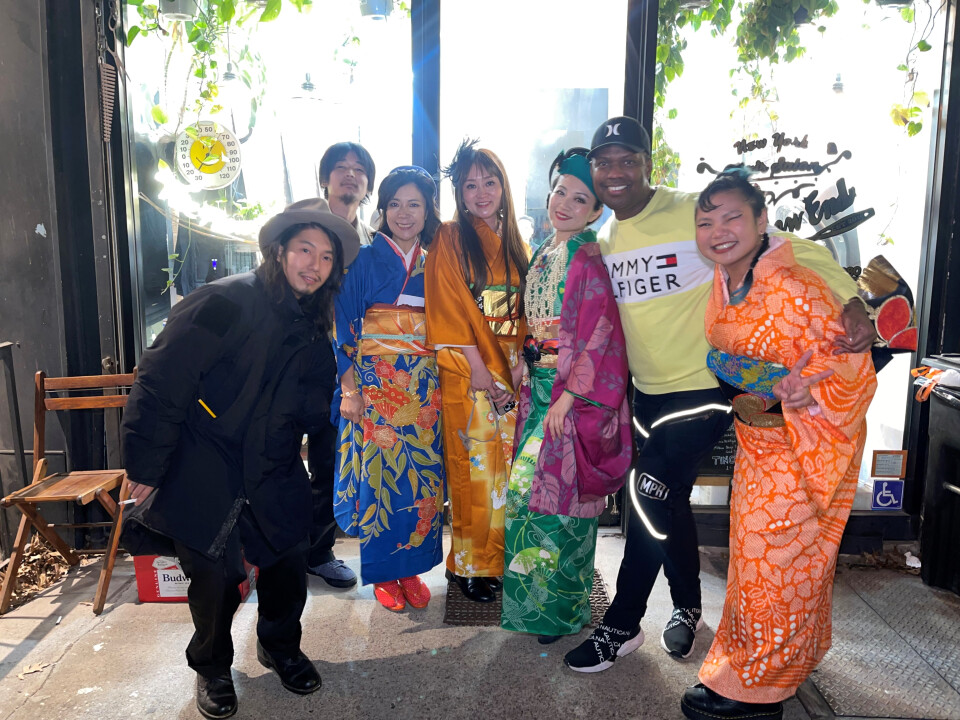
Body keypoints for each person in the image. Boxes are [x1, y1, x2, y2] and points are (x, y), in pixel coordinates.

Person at [564, 116, 877, 673]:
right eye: (604, 162)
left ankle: (621, 626)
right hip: (646, 394)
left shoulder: (692, 211)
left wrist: (852, 299)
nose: (615, 172)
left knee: (646, 493)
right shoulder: (605, 236)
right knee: (669, 499)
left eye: (628, 160)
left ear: (647, 164)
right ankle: (688, 609)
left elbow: (793, 247)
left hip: (702, 390)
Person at [121, 199, 360, 719]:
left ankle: (280, 646)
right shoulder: (224, 300)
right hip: (207, 459)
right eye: (305, 250)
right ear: (279, 251)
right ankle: (211, 666)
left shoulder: (314, 323)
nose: (315, 265)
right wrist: (146, 465)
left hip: (274, 462)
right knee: (216, 575)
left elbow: (313, 404)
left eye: (326, 257)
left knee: (289, 557)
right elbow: (160, 379)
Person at [679, 167, 876, 720]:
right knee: (752, 564)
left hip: (800, 445)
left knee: (778, 566)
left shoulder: (798, 287)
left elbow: (852, 368)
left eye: (732, 218)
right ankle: (752, 670)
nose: (718, 232)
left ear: (762, 219)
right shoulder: (726, 282)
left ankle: (759, 693)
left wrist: (805, 391)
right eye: (706, 222)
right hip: (757, 442)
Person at [500, 149, 631, 643]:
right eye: (560, 192)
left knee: (558, 502)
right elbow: (533, 322)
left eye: (580, 199)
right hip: (539, 389)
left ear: (596, 211)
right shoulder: (544, 250)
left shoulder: (588, 255)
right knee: (533, 498)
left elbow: (601, 332)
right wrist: (523, 359)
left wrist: (570, 397)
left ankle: (559, 611)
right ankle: (537, 607)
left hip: (569, 398)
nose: (565, 204)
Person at [332, 166, 445, 611]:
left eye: (414, 204)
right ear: (382, 209)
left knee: (422, 483)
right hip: (377, 386)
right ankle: (382, 573)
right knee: (381, 482)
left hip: (424, 387)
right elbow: (343, 327)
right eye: (395, 204)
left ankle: (410, 569)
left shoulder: (435, 262)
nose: (404, 213)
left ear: (427, 211)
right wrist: (349, 390)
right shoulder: (362, 260)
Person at [424, 140, 528, 603]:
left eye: (490, 182)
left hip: (510, 370)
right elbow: (447, 305)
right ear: (459, 194)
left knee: (504, 471)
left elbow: (528, 310)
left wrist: (520, 364)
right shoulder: (449, 237)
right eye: (471, 185)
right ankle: (468, 564)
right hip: (469, 370)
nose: (482, 192)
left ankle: (496, 559)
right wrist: (479, 368)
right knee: (474, 468)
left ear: (503, 187)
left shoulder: (516, 242)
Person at [305, 141, 377, 589]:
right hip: (304, 359)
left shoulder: (371, 240)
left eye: (359, 170)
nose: (350, 175)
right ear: (325, 178)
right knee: (287, 461)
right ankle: (285, 549)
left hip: (349, 369)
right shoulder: (306, 226)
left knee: (332, 461)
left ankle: (318, 552)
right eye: (341, 168)